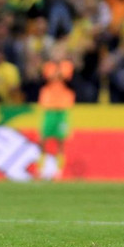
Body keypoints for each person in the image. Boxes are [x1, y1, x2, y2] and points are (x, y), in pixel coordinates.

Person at [36, 43, 76, 181]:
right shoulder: (48, 67)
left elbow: (65, 78)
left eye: (60, 52)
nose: (57, 55)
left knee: (60, 141)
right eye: (55, 52)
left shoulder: (67, 66)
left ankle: (58, 171)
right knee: (43, 139)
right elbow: (49, 78)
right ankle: (41, 169)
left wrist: (58, 71)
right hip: (49, 106)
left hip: (62, 107)